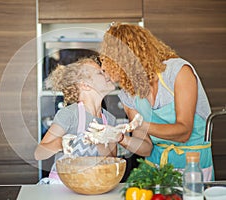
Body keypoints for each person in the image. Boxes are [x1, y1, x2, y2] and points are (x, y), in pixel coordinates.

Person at [91, 23, 214, 181]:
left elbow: (184, 132)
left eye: (109, 60)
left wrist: (140, 125)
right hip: (154, 170)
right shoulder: (128, 93)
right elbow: (146, 147)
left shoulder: (178, 72)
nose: (104, 67)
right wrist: (120, 138)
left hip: (193, 168)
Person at [34, 57, 118, 184]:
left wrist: (100, 142)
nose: (107, 74)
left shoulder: (110, 120)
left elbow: (113, 161)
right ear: (85, 85)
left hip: (92, 185)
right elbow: (39, 153)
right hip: (62, 186)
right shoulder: (70, 114)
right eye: (100, 72)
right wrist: (60, 143)